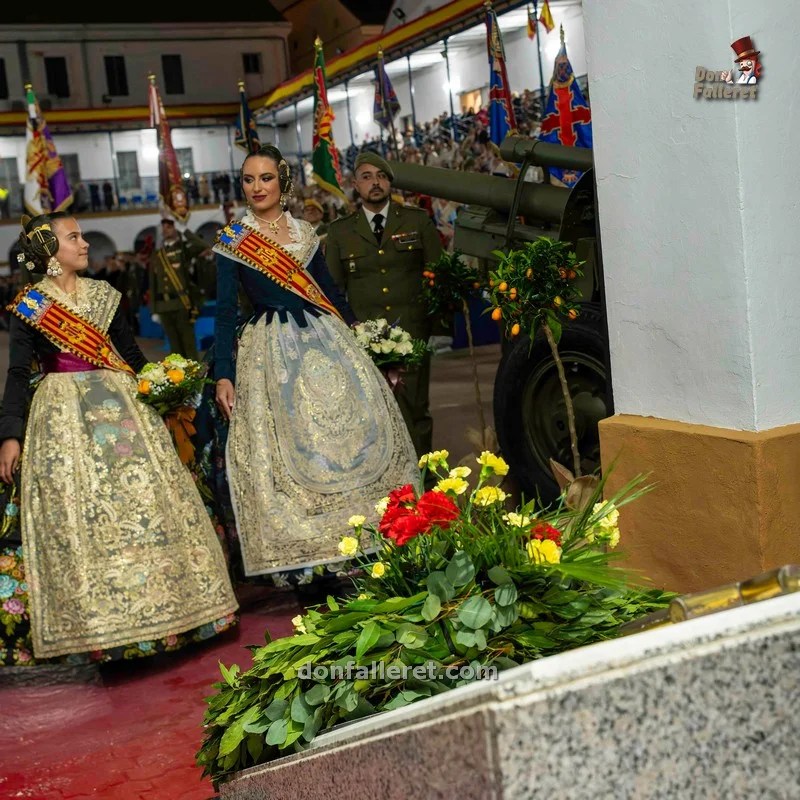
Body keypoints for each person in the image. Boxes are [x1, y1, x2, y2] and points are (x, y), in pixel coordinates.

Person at [0, 212, 238, 666]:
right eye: (74, 237)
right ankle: (104, 628)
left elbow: (130, 356)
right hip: (64, 418)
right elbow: (15, 376)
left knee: (146, 502)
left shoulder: (106, 295)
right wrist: (10, 434)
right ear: (51, 253)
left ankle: (175, 613)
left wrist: (165, 390)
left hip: (124, 410)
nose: (85, 243)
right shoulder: (29, 306)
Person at [211, 144, 417, 581]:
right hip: (269, 352)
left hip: (326, 338)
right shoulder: (232, 240)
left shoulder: (305, 233)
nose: (256, 187)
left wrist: (369, 347)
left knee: (351, 433)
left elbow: (332, 294)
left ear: (282, 182)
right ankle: (307, 563)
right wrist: (223, 375)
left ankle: (368, 540)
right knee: (289, 447)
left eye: (265, 178)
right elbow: (225, 311)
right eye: (248, 180)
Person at [325, 151, 443, 456]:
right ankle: (389, 486)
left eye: (381, 176)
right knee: (374, 413)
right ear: (355, 184)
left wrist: (438, 328)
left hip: (412, 332)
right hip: (366, 338)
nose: (374, 183)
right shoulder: (340, 232)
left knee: (416, 409)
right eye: (366, 176)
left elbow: (438, 276)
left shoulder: (417, 221)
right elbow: (334, 291)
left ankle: (425, 481)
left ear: (390, 182)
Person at [148, 218, 205, 359]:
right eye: (164, 227)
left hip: (181, 303)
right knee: (174, 347)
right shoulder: (157, 255)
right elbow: (153, 283)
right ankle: (180, 377)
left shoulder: (183, 249)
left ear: (175, 229)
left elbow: (202, 246)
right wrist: (154, 309)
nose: (165, 229)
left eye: (169, 226)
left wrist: (184, 230)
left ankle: (195, 377)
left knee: (188, 343)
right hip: (164, 306)